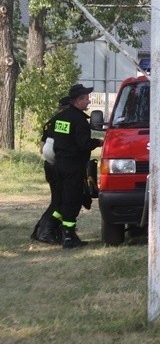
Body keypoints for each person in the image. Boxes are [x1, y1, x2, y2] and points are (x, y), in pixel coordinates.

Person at [52, 83, 103, 248]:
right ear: (78, 100)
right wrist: (99, 142)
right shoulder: (79, 120)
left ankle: (55, 230)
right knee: (72, 200)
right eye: (86, 98)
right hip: (73, 166)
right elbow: (84, 144)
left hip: (58, 164)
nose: (89, 101)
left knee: (62, 199)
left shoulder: (61, 117)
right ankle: (68, 237)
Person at [31, 96, 71, 245]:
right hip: (58, 166)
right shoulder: (63, 122)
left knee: (57, 200)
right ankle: (45, 231)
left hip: (50, 165)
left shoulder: (50, 123)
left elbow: (42, 148)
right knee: (59, 201)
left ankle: (41, 230)